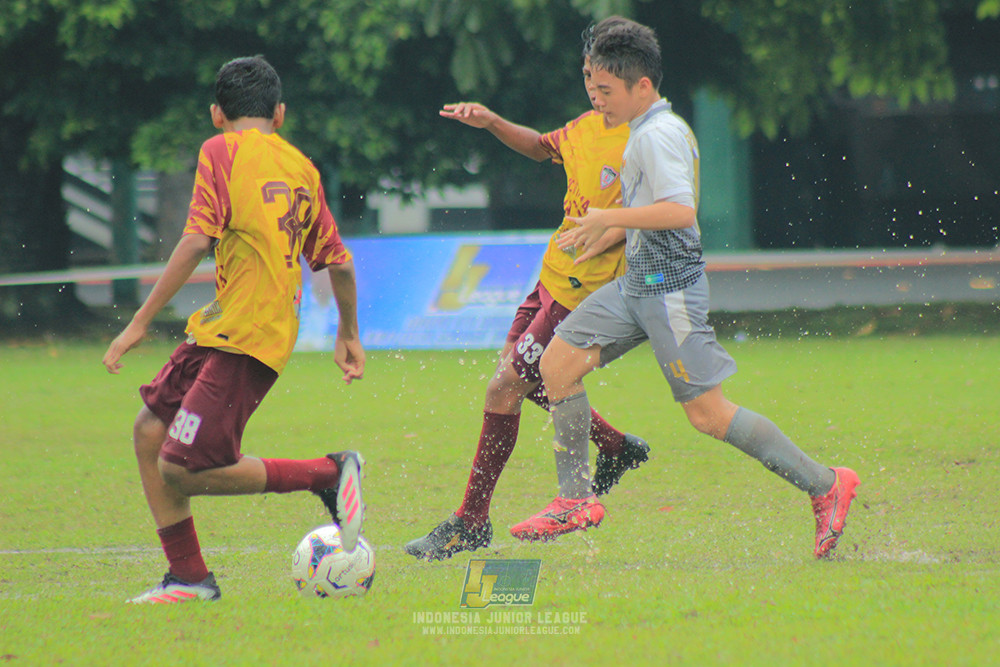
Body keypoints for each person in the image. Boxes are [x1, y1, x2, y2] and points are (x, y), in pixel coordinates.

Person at [511, 18, 860, 559]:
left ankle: (825, 484)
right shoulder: (641, 132)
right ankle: (575, 500)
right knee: (557, 364)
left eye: (605, 91)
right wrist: (608, 230)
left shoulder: (659, 135)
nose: (596, 101)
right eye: (592, 90)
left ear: (642, 87)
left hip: (669, 291)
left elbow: (679, 211)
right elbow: (651, 213)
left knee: (708, 415)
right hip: (635, 285)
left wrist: (609, 214)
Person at [102, 56, 367, 603]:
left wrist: (137, 324)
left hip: (248, 334)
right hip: (227, 329)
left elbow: (196, 240)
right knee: (150, 431)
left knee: (181, 467)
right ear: (280, 113)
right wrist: (350, 334)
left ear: (217, 113)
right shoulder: (301, 168)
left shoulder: (218, 149)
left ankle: (328, 472)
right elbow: (338, 261)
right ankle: (189, 578)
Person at [404, 22, 651, 561]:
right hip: (548, 280)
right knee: (513, 376)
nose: (591, 89)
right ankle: (615, 446)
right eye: (587, 76)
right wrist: (491, 121)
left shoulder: (647, 140)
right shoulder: (587, 127)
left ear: (634, 81)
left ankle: (470, 521)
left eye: (602, 81)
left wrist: (608, 232)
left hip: (582, 293)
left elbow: (654, 215)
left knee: (503, 388)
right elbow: (542, 148)